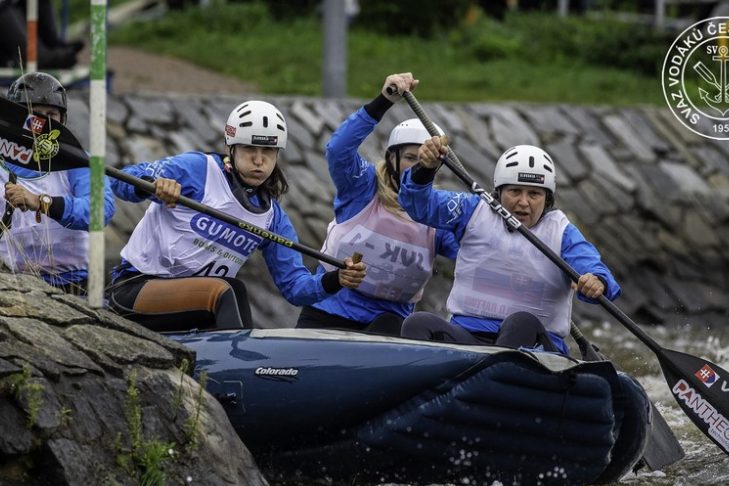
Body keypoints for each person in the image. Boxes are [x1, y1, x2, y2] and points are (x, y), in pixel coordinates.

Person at [107, 99, 367, 332]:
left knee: (221, 294)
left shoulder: (272, 218)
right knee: (229, 289)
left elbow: (295, 288)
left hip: (193, 308)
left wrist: (336, 279)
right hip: (135, 290)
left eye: (268, 152)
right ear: (231, 148)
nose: (258, 160)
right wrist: (151, 183)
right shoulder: (198, 170)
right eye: (249, 150)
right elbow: (120, 181)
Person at [398, 139, 620, 354]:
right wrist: (424, 170)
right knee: (418, 323)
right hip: (469, 338)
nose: (523, 202)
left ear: (547, 199)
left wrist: (596, 280)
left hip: (534, 346)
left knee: (520, 323)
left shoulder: (563, 233)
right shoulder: (471, 211)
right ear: (499, 192)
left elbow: (594, 268)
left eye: (534, 194)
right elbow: (419, 205)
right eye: (515, 191)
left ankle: (492, 378)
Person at [295, 72, 458, 336]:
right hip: (327, 314)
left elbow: (471, 250)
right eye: (409, 157)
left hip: (389, 326)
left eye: (425, 159)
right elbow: (338, 150)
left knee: (391, 324)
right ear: (391, 158)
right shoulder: (363, 186)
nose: (416, 165)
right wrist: (383, 101)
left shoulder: (439, 212)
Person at [0, 71, 115, 296]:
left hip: (73, 286)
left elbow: (99, 212)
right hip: (6, 286)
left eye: (52, 114)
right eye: (33, 115)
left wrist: (41, 202)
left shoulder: (80, 163)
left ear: (63, 121)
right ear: (14, 118)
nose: (43, 123)